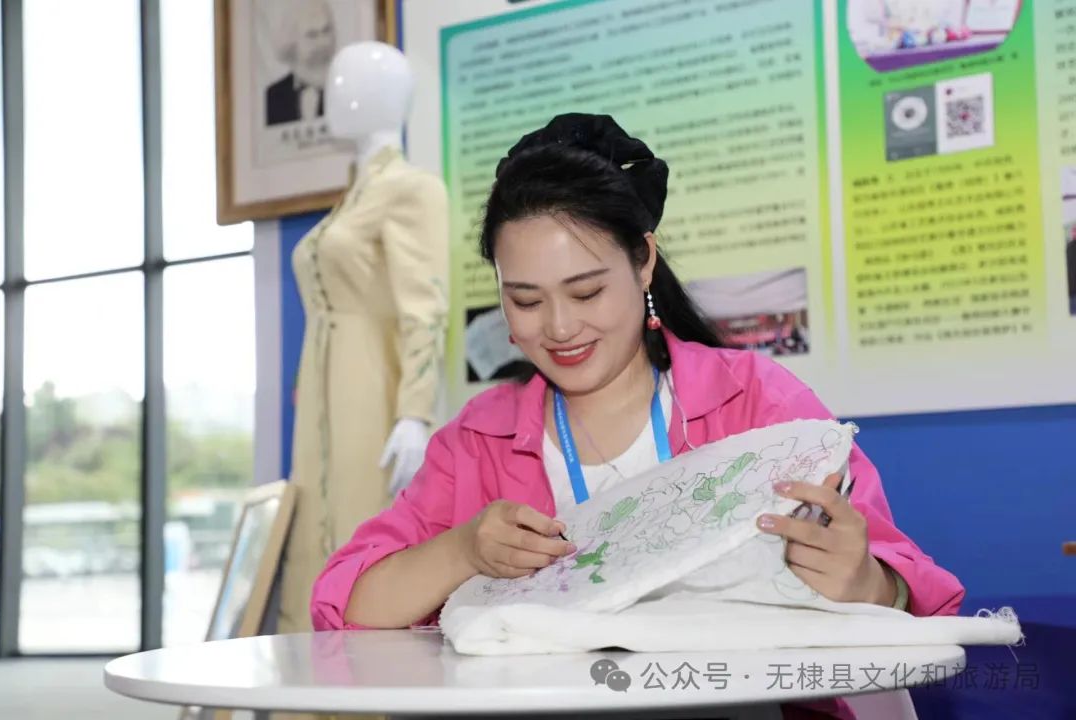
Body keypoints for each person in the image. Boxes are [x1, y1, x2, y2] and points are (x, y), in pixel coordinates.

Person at [311, 114, 965, 719]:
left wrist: (865, 580)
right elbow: (345, 605)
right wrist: (462, 550)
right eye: (526, 301)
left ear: (643, 260)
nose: (559, 327)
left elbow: (918, 591)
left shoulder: (752, 401)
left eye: (587, 291)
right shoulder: (481, 440)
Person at [265, 0, 336, 126]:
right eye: (312, 35)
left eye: (326, 31)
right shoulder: (274, 96)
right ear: (291, 43)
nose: (323, 43)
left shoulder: (347, 88)